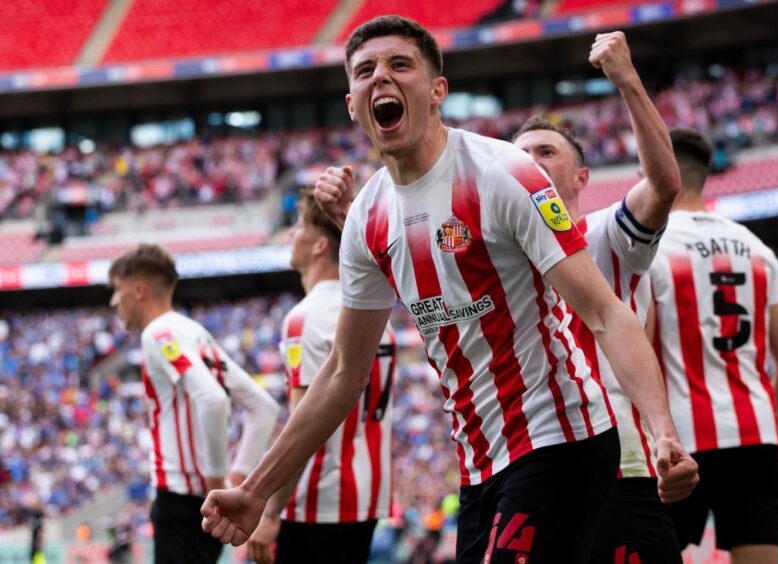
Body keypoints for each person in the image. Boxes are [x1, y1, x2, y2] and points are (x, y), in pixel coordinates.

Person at [201, 16, 698, 564]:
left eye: (399, 65)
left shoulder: (502, 174)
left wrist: (662, 432)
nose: (381, 78)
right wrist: (256, 489)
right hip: (480, 463)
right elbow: (344, 373)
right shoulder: (367, 217)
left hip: (562, 437)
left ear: (438, 90)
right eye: (365, 71)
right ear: (352, 103)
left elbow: (603, 311)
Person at [511, 31, 683, 564]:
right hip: (533, 469)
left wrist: (628, 81)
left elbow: (663, 184)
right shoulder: (501, 259)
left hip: (619, 466)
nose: (532, 162)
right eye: (521, 156)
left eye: (547, 151)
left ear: (582, 177)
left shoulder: (605, 235)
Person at [648, 128, 778, 563]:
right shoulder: (758, 249)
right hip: (756, 435)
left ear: (653, 169)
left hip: (679, 443)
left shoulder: (653, 247)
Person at [245, 190, 396, 564]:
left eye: (298, 226)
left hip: (317, 502)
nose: (291, 234)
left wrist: (268, 510)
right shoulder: (374, 318)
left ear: (319, 246)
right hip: (367, 495)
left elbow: (305, 422)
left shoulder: (306, 317)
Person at [108, 243, 280, 564]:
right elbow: (263, 407)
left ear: (138, 290)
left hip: (180, 501)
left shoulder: (157, 333)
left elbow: (212, 399)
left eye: (117, 290)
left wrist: (218, 483)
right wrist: (237, 476)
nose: (113, 301)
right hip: (199, 506)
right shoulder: (195, 332)